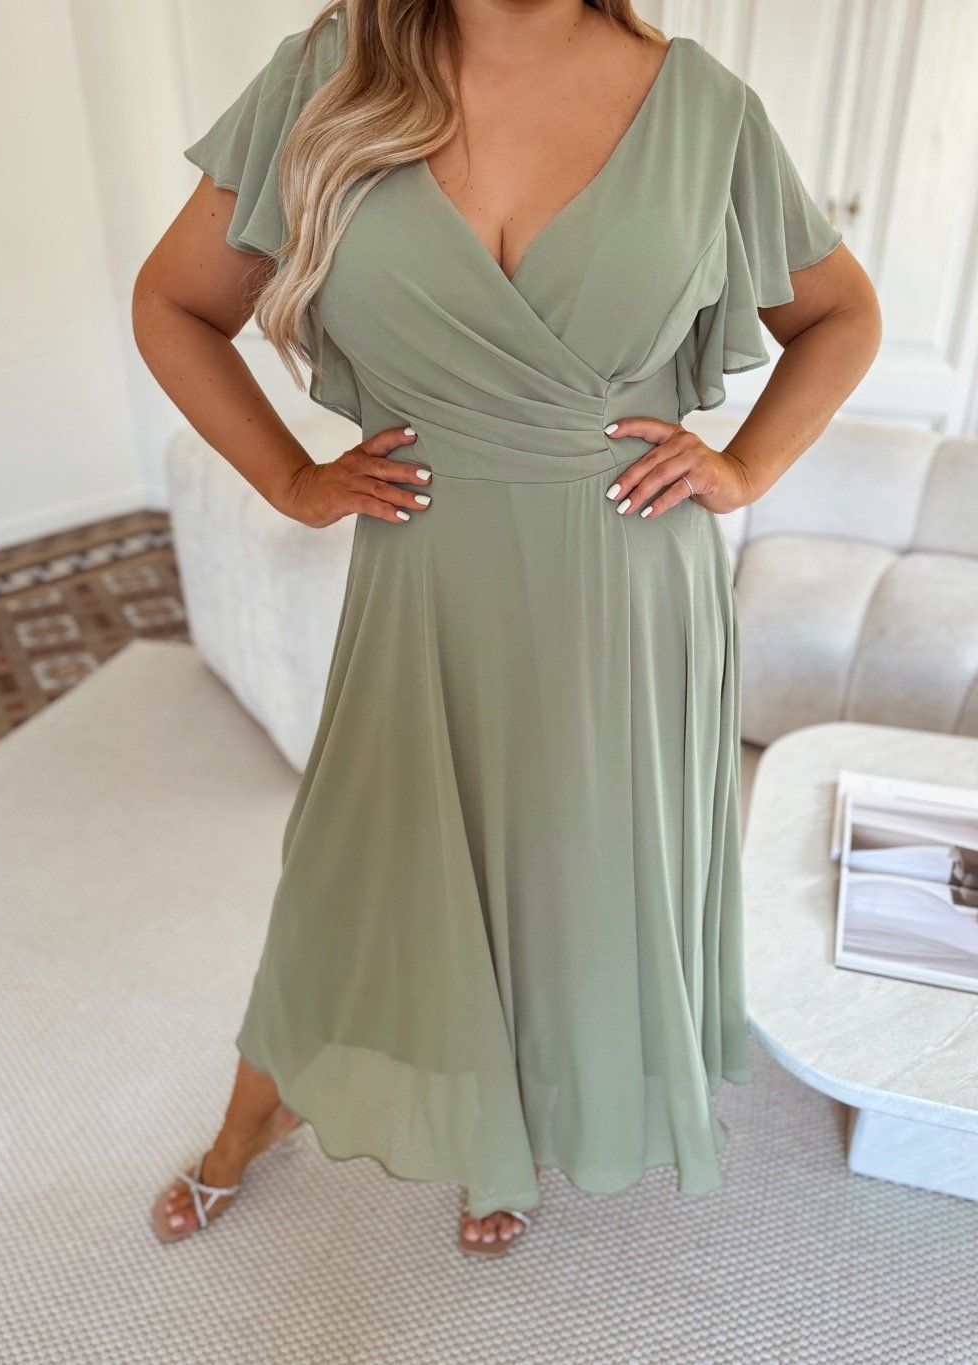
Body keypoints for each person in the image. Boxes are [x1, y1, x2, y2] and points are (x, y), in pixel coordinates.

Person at [133, 0, 881, 1256]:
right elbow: (173, 303)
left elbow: (841, 315)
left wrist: (745, 465)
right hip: (425, 576)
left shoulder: (704, 110)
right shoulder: (330, 71)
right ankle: (255, 1116)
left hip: (628, 581)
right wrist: (290, 478)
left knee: (568, 879)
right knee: (355, 870)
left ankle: (505, 1130)